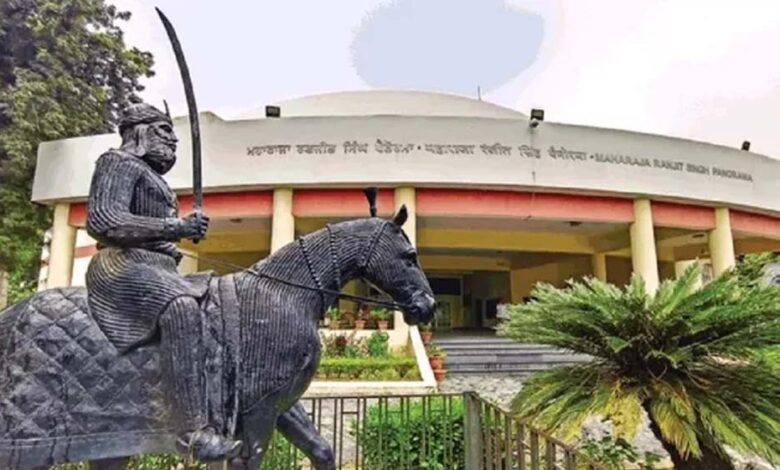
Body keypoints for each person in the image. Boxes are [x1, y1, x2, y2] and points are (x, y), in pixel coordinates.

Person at [85, 102, 242, 461]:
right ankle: (192, 433)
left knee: (219, 303)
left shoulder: (153, 177)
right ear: (140, 132)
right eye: (165, 130)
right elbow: (105, 220)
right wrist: (176, 227)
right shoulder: (117, 162)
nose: (173, 140)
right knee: (181, 307)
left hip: (158, 267)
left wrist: (183, 231)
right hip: (122, 264)